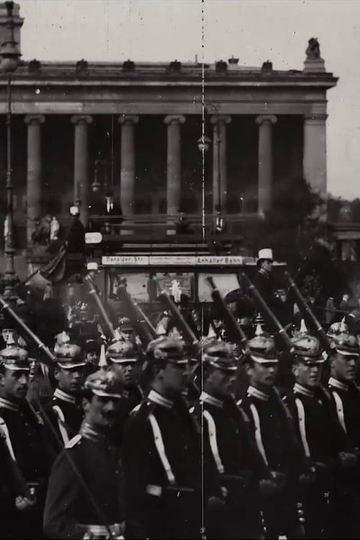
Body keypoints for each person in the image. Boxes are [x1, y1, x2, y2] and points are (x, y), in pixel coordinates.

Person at [122, 337, 203, 539]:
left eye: (186, 366)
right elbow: (136, 489)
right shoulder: (141, 421)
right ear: (158, 371)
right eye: (178, 366)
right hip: (161, 525)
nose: (186, 373)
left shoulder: (180, 412)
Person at [191, 339, 267, 539]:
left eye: (233, 372)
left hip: (244, 509)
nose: (232, 379)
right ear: (207, 373)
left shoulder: (232, 412)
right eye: (225, 372)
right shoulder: (200, 415)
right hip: (222, 514)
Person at [286, 331, 358, 539]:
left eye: (317, 365)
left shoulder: (321, 400)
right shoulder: (295, 403)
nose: (314, 370)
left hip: (330, 482)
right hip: (312, 485)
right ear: (294, 369)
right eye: (308, 365)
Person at [239, 328, 306, 539]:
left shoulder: (277, 402)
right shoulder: (245, 407)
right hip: (261, 494)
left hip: (285, 490)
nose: (271, 371)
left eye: (274, 366)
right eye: (265, 366)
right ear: (249, 369)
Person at [43, 369, 125, 539]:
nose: (111, 408)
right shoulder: (74, 455)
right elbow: (53, 523)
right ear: (86, 403)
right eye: (103, 400)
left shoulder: (111, 450)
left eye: (115, 401)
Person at [0, 343, 51, 539]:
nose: (24, 381)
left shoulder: (28, 414)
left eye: (25, 375)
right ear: (1, 378)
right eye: (16, 375)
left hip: (37, 508)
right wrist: (11, 502)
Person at [43, 333, 87, 460]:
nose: (77, 376)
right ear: (56, 373)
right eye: (71, 371)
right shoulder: (52, 410)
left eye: (80, 370)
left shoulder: (85, 401)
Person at [106, 340, 144, 448]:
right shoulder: (106, 399)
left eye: (132, 364)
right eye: (123, 364)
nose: (129, 369)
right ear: (110, 368)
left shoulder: (139, 391)